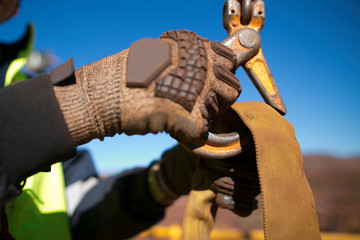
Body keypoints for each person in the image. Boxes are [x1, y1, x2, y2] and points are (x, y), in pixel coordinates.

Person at [0, 0, 260, 239]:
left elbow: (79, 212)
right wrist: (87, 99)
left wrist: (172, 174)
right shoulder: (31, 93)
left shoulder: (21, 82)